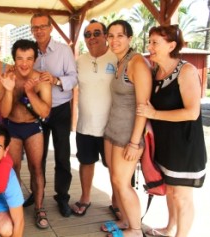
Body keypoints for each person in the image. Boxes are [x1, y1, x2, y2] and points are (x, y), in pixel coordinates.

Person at [137, 25, 207, 237]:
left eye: (155, 43)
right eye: (149, 42)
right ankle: (170, 228)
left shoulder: (186, 71)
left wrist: (154, 114)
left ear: (172, 46)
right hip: (166, 145)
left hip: (185, 147)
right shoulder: (156, 71)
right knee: (169, 191)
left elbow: (192, 113)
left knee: (181, 196)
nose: (150, 47)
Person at [101, 20, 151, 237]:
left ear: (130, 38)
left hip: (128, 135)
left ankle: (136, 229)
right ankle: (124, 219)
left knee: (123, 183)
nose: (114, 40)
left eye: (120, 36)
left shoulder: (137, 62)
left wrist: (134, 141)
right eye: (110, 36)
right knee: (115, 179)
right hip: (112, 130)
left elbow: (143, 106)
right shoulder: (119, 61)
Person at [27, 12, 78, 217]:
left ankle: (62, 196)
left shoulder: (63, 50)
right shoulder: (29, 51)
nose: (38, 31)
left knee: (62, 156)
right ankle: (36, 193)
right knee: (35, 158)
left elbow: (74, 79)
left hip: (59, 110)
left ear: (50, 28)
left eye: (42, 26)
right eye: (35, 27)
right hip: (37, 111)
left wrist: (56, 80)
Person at [0, 39, 52, 229]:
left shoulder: (41, 79)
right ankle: (15, 206)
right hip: (12, 127)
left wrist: (30, 92)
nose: (24, 63)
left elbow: (45, 112)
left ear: (35, 59)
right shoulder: (5, 77)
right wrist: (9, 90)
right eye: (20, 58)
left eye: (29, 58)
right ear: (13, 59)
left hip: (33, 127)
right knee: (13, 170)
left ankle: (39, 207)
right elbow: (4, 113)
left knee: (36, 168)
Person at [72, 20, 118, 217]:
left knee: (114, 167)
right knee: (86, 162)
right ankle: (85, 197)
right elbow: (67, 83)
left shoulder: (117, 58)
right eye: (87, 34)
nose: (92, 38)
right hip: (85, 125)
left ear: (105, 35)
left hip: (112, 127)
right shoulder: (79, 60)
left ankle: (117, 201)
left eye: (96, 33)